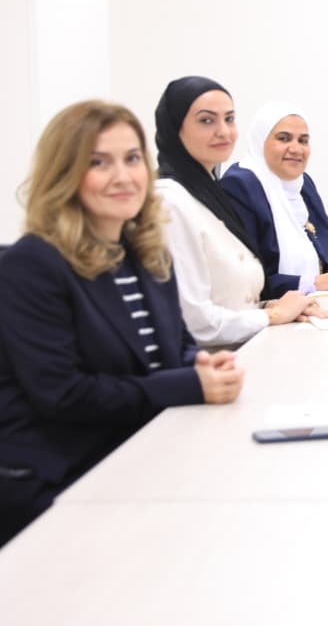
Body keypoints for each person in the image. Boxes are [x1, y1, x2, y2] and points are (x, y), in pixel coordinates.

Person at [0, 100, 245, 546]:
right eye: (99, 163)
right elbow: (64, 395)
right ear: (64, 175)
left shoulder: (146, 253)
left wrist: (200, 364)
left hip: (132, 451)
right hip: (57, 477)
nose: (123, 176)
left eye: (132, 159)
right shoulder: (31, 265)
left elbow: (175, 346)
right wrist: (189, 385)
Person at [153, 76, 328, 348]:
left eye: (230, 119)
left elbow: (230, 300)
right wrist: (271, 316)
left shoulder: (209, 195)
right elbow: (196, 323)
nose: (224, 131)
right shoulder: (169, 201)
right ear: (175, 128)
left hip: (246, 350)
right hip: (213, 364)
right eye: (206, 120)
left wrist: (278, 306)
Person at [220, 101, 328, 299]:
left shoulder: (302, 184)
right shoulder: (240, 185)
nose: (296, 149)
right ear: (260, 140)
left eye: (303, 141)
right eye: (284, 138)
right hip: (268, 310)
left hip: (316, 304)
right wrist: (315, 283)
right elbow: (245, 278)